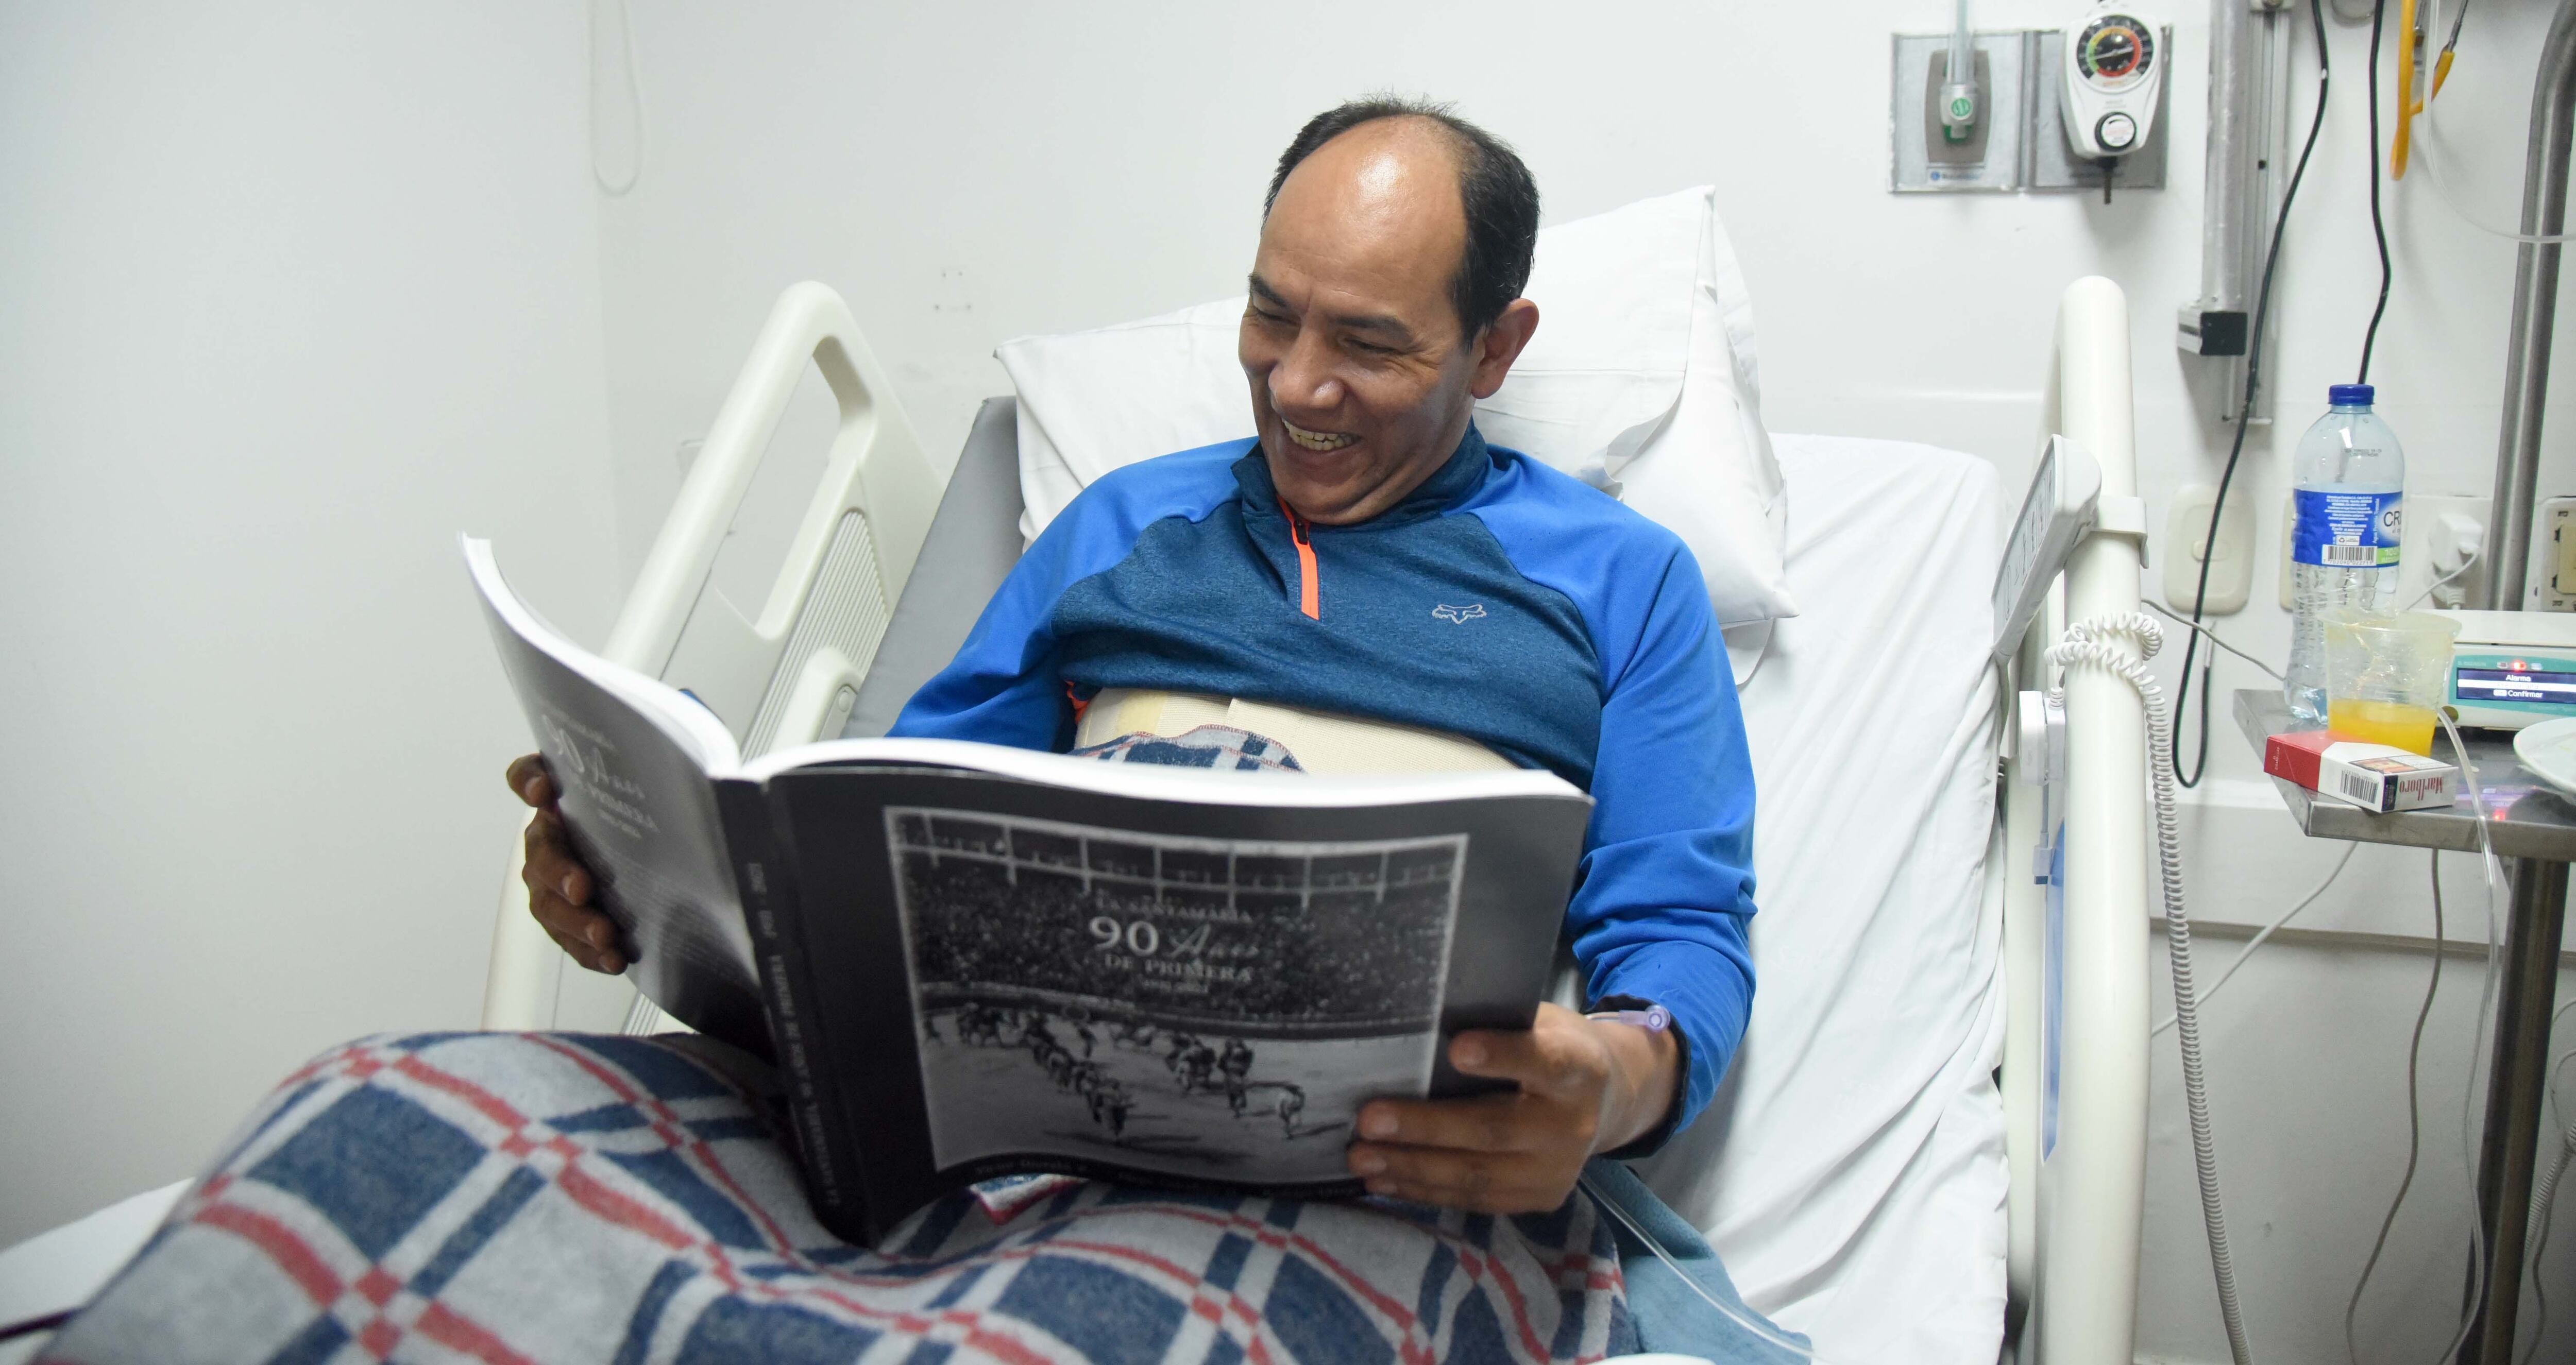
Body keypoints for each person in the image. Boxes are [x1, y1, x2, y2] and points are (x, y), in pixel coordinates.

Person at [509, 96, 1757, 1221]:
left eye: (1370, 343)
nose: (1298, 384)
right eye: (1272, 313)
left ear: (1493, 348)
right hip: (1025, 1155)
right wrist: (651, 879)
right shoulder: (1120, 524)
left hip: (1367, 1188)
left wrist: (1609, 1083)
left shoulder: (1620, 582)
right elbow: (885, 841)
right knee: (431, 1116)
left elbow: (1682, 928)